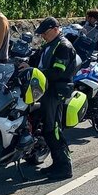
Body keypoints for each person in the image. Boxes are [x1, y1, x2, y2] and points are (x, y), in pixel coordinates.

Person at [27, 17, 77, 180]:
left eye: (45, 33)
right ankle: (55, 164)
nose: (43, 36)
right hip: (44, 90)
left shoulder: (63, 47)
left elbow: (57, 72)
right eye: (41, 33)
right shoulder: (49, 45)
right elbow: (36, 60)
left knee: (53, 129)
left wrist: (33, 70)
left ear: (56, 29)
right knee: (43, 126)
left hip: (55, 91)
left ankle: (64, 167)